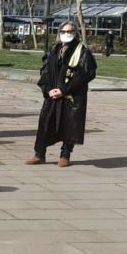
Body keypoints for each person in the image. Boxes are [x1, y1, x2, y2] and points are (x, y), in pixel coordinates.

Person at [27, 21, 96, 167]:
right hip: (53, 95)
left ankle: (65, 155)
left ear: (75, 33)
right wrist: (48, 89)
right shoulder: (55, 50)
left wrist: (64, 89)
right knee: (45, 124)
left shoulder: (82, 51)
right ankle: (39, 154)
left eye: (70, 31)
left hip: (71, 96)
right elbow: (45, 71)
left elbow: (86, 74)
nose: (66, 34)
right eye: (63, 31)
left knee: (69, 125)